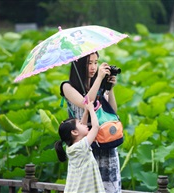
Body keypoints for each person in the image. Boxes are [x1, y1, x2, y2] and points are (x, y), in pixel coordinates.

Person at [60, 52, 121, 193]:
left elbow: (113, 111)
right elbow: (87, 102)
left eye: (96, 62)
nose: (94, 67)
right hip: (86, 147)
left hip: (106, 143)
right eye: (89, 63)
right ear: (79, 64)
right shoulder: (67, 87)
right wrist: (99, 78)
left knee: (110, 187)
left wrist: (110, 89)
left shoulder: (98, 85)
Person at [54, 96, 105, 193]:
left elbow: (82, 126)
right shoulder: (82, 147)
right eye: (80, 124)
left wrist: (86, 112)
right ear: (74, 132)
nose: (84, 124)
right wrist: (91, 110)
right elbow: (95, 127)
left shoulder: (71, 148)